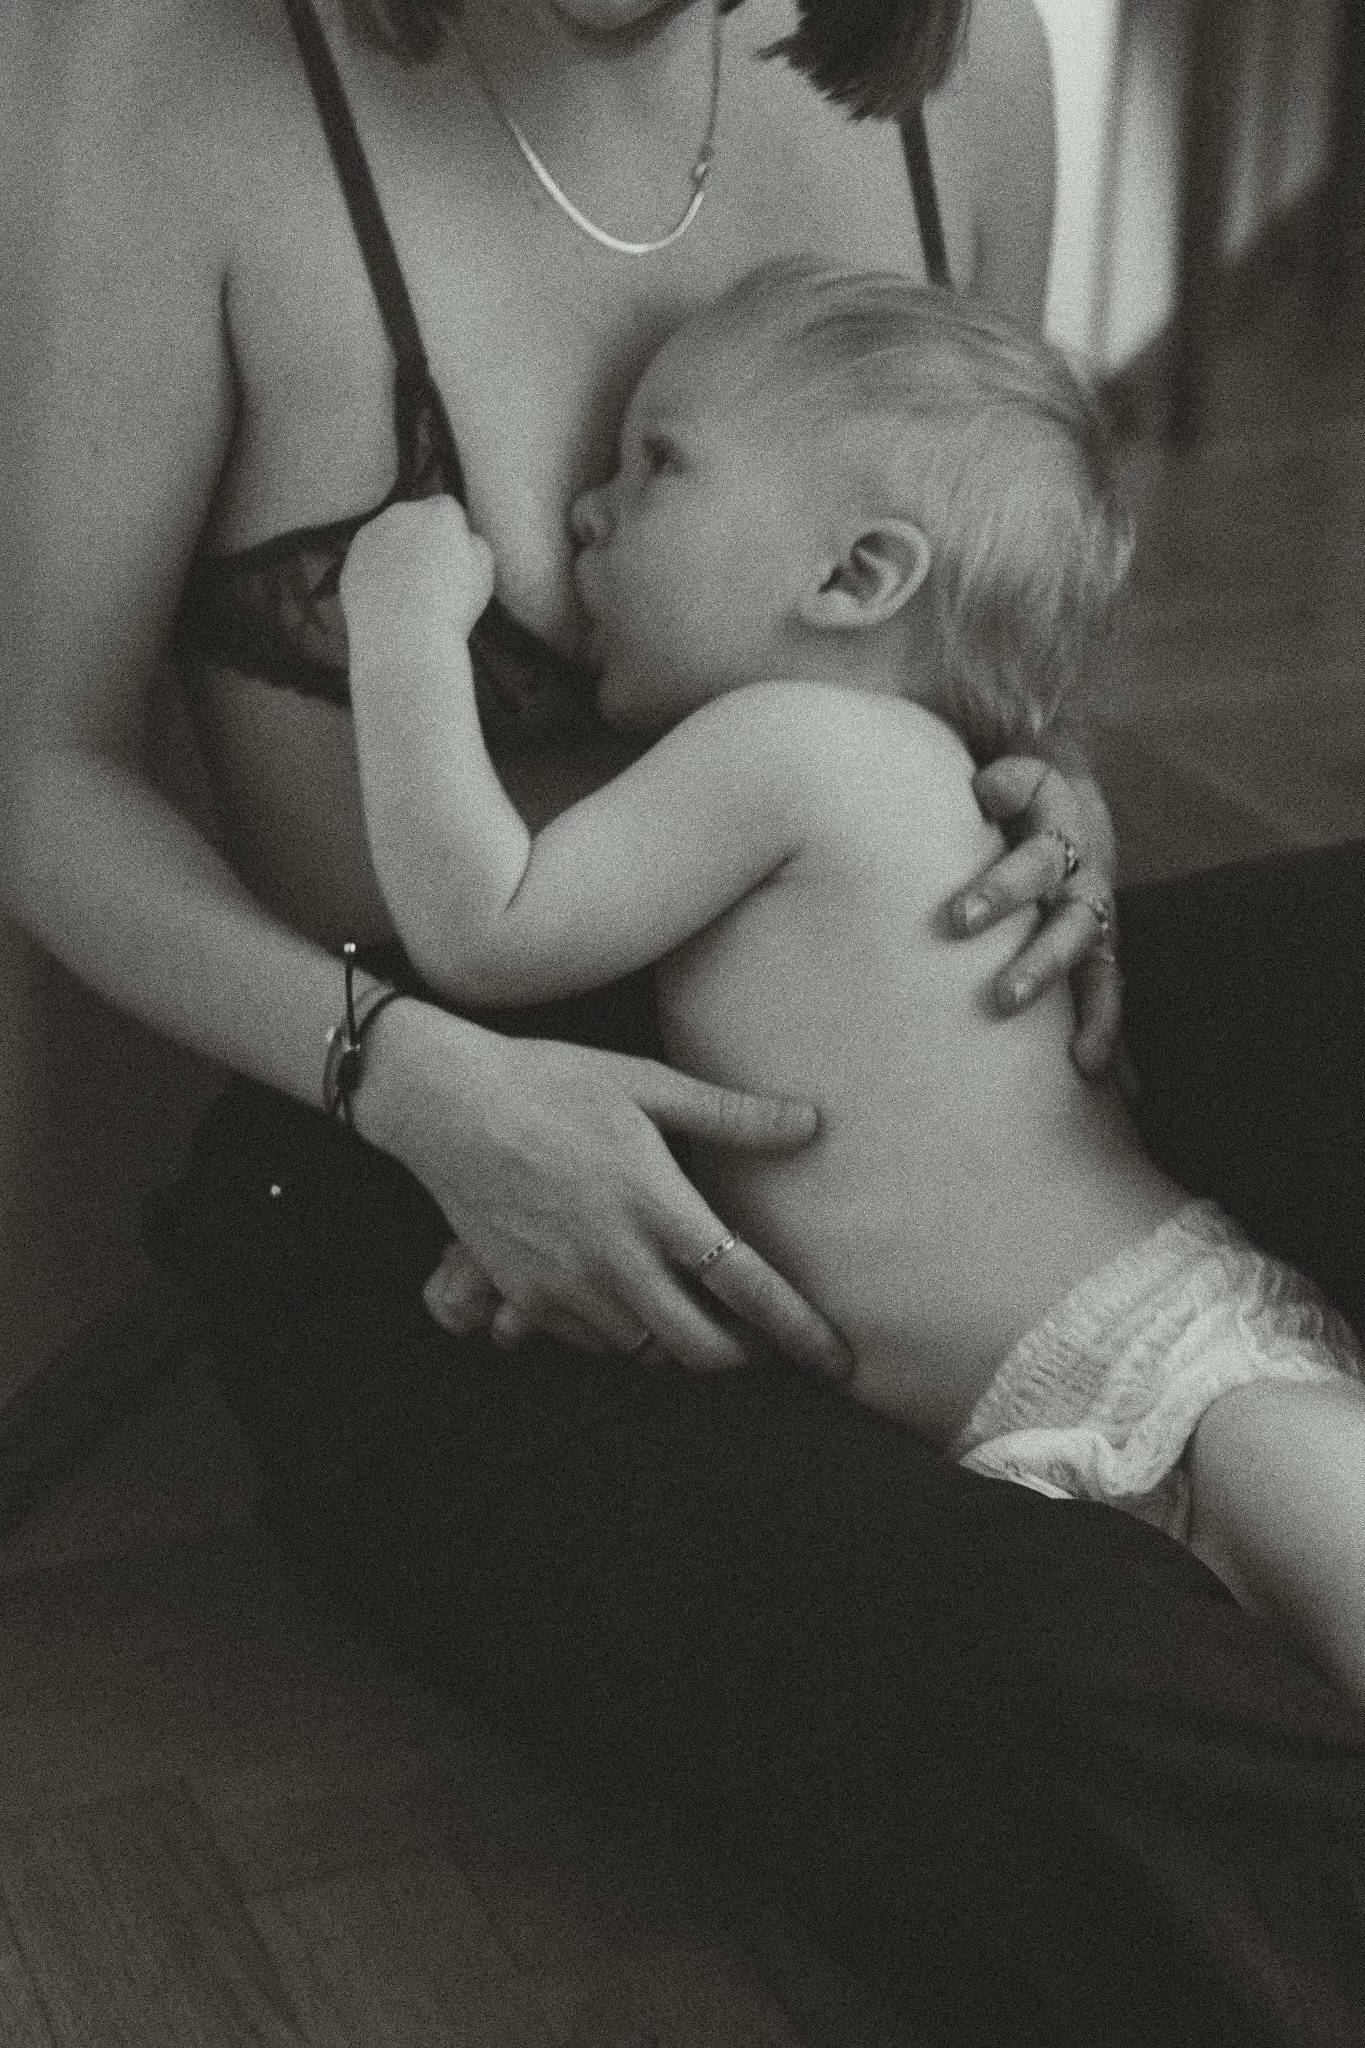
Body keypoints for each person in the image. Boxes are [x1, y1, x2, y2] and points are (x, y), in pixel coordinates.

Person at [7, 0, 1365, 2039]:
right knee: (1067, 1673)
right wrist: (410, 1072)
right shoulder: (179, 87)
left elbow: (961, 611)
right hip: (419, 1196)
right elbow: (39, 773)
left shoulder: (961, 77)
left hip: (911, 1083)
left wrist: (1034, 790)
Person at [338, 262, 1365, 1708]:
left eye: (658, 464)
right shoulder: (903, 771)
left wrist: (396, 629)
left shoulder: (792, 746)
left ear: (853, 579)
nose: (588, 507)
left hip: (1171, 1375)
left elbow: (482, 925)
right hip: (1039, 1430)